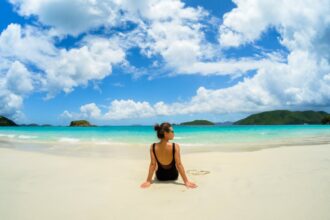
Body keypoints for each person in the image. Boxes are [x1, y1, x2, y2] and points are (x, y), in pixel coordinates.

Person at [140, 122, 197, 189]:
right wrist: (186, 181)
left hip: (160, 177)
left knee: (156, 167)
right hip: (173, 176)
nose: (173, 133)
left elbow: (153, 164)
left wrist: (148, 181)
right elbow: (179, 164)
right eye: (172, 131)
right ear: (165, 133)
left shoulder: (153, 146)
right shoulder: (175, 146)